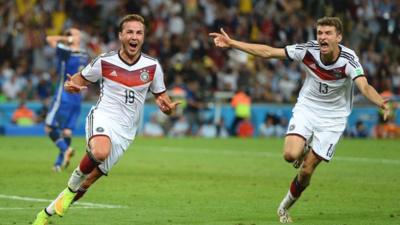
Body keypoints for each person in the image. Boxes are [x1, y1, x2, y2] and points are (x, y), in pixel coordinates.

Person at [210, 17, 390, 223]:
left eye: (328, 33)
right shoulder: (307, 50)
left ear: (339, 37)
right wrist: (233, 43)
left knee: (306, 170)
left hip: (333, 118)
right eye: (320, 33)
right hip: (308, 108)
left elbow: (364, 87)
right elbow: (269, 52)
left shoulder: (349, 60)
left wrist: (381, 103)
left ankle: (284, 206)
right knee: (290, 155)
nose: (322, 37)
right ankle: (304, 148)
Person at [32, 14, 180, 225]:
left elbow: (163, 99)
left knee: (89, 181)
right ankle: (71, 187)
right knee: (100, 151)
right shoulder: (104, 61)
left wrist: (168, 109)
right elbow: (78, 79)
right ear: (121, 35)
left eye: (139, 32)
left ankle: (45, 214)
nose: (134, 36)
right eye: (130, 31)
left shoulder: (152, 66)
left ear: (143, 37)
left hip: (127, 132)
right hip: (104, 116)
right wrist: (70, 85)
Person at [44, 28, 90, 172]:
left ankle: (66, 149)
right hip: (77, 96)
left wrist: (66, 39)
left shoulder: (66, 51)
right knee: (67, 131)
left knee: (49, 127)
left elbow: (49, 39)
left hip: (63, 94)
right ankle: (58, 163)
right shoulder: (84, 54)